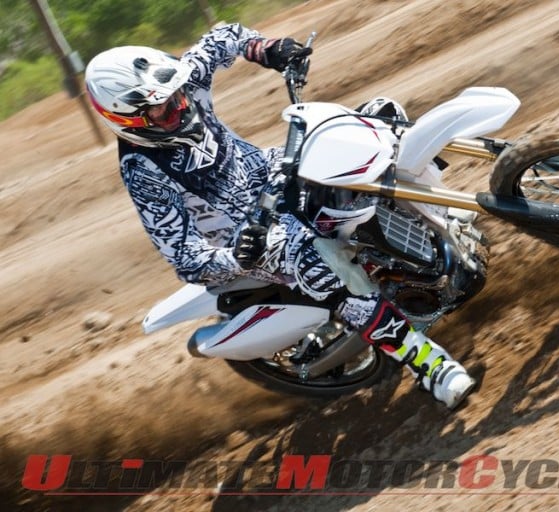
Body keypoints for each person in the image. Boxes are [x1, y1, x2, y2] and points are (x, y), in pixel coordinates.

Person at [84, 23, 475, 409]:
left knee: (376, 119)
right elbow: (185, 256)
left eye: (177, 96)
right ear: (129, 121)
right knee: (320, 265)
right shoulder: (143, 172)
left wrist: (267, 49)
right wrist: (237, 256)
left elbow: (224, 36)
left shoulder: (184, 87)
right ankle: (429, 364)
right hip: (253, 233)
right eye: (163, 110)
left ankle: (444, 225)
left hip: (276, 171)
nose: (179, 107)